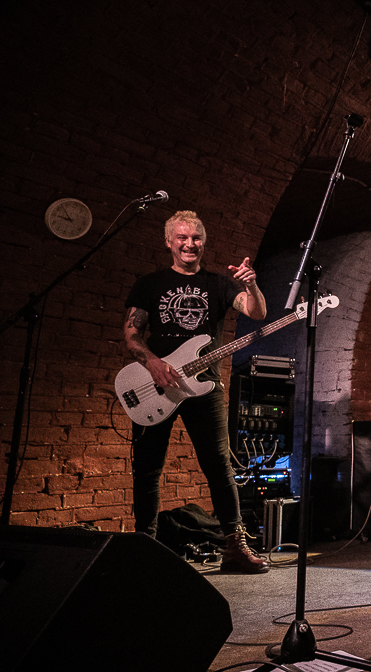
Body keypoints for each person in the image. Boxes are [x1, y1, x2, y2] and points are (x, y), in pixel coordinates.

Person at [123, 210, 270, 574]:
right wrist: (153, 363)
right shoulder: (150, 283)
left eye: (196, 238)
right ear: (169, 242)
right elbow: (131, 334)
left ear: (204, 242)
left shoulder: (219, 284)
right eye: (182, 238)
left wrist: (251, 285)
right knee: (147, 469)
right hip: (157, 385)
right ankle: (145, 547)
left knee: (219, 466)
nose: (190, 244)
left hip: (204, 386)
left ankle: (234, 547)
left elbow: (257, 313)